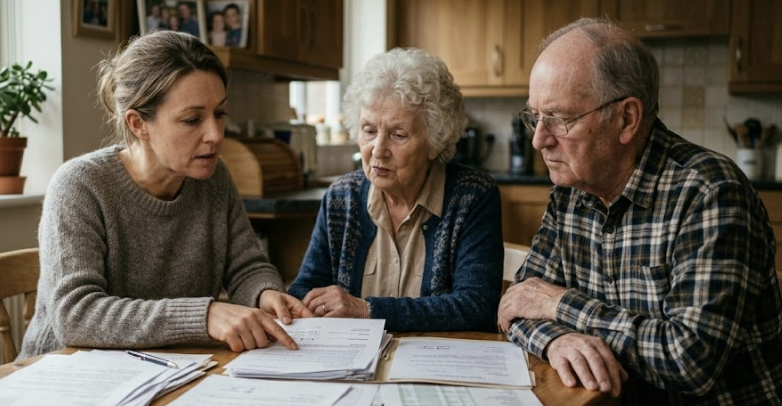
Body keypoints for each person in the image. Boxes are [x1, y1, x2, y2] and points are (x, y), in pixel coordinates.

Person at [497, 18, 782, 405]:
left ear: (626, 119)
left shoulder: (709, 193)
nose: (538, 140)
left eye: (560, 120)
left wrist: (560, 304)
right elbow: (517, 306)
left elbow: (690, 360)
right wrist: (559, 339)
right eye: (534, 117)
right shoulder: (569, 193)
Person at [18, 30, 313, 360]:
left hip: (168, 368)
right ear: (138, 124)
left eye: (220, 113)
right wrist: (205, 316)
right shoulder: (79, 186)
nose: (215, 135)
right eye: (192, 119)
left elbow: (246, 267)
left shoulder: (215, 179)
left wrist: (265, 293)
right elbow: (75, 316)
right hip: (63, 376)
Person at [288, 48, 504, 332]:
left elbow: (476, 306)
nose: (378, 150)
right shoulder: (342, 197)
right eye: (368, 130)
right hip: (352, 364)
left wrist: (367, 310)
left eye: (398, 135)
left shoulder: (472, 196)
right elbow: (305, 288)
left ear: (434, 142)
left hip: (437, 365)